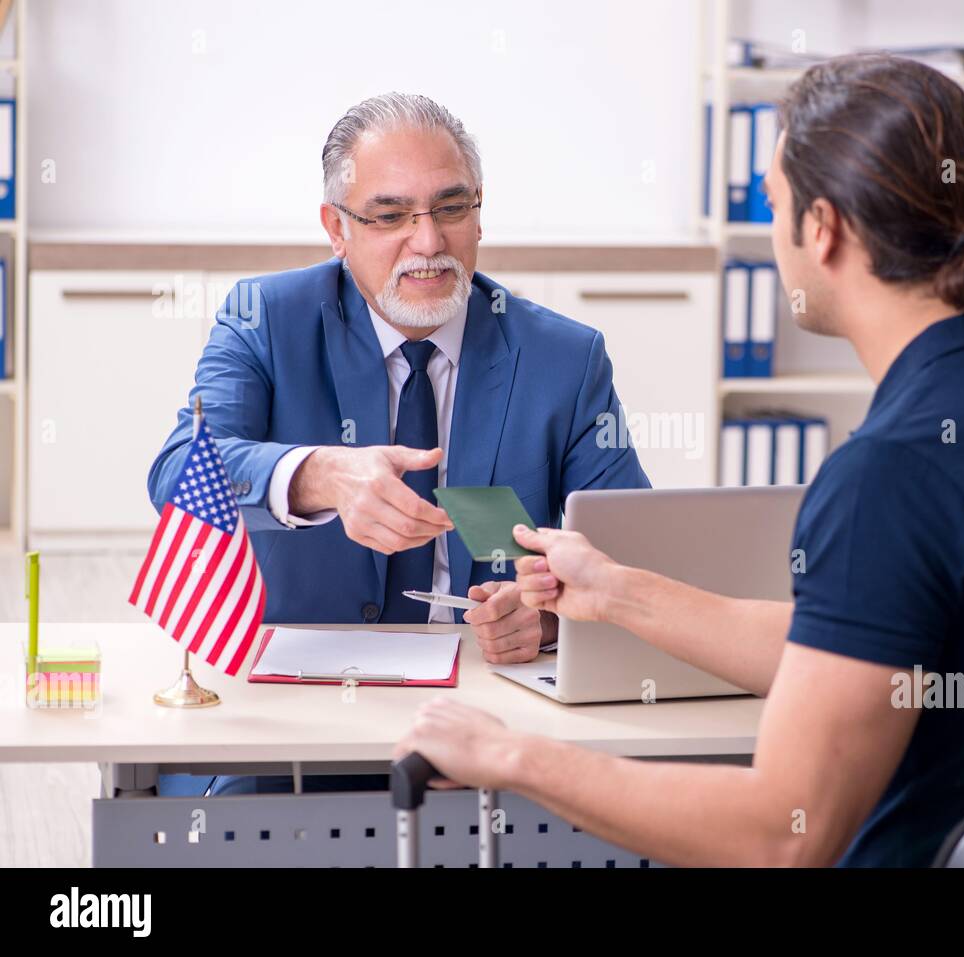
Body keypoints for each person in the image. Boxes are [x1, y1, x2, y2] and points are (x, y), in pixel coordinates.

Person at [394, 54, 964, 867]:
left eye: (772, 202)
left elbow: (781, 835)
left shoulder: (895, 472)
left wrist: (513, 755)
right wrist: (617, 590)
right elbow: (851, 651)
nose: (771, 234)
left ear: (822, 228)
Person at [148, 93, 649, 797]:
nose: (428, 242)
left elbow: (634, 556)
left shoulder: (564, 357)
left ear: (480, 212)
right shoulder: (264, 319)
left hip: (487, 708)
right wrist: (318, 474)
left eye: (451, 208)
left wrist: (550, 617)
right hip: (293, 706)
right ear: (336, 228)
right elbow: (178, 475)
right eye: (390, 216)